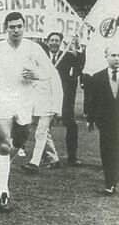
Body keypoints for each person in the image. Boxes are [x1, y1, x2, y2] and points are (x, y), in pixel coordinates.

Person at [0, 12, 59, 211]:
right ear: (5, 28)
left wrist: (37, 74)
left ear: (24, 27)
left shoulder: (33, 48)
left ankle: (6, 160)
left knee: (21, 138)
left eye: (19, 26)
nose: (15, 30)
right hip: (3, 98)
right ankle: (3, 192)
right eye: (12, 27)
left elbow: (50, 72)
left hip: (25, 100)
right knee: (3, 145)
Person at [44, 32, 85, 166]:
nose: (54, 43)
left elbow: (80, 63)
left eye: (57, 41)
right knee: (44, 127)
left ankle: (73, 157)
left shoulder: (67, 56)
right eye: (52, 40)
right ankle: (46, 155)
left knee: (72, 126)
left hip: (65, 98)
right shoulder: (42, 57)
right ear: (47, 42)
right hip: (47, 98)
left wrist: (78, 47)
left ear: (61, 43)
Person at [20, 54, 63, 174]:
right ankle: (54, 160)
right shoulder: (32, 70)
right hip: (37, 107)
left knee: (40, 133)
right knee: (45, 134)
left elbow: (58, 91)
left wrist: (58, 111)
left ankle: (34, 163)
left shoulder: (52, 71)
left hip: (49, 107)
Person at [87, 43, 119, 195]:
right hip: (105, 122)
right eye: (113, 55)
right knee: (107, 151)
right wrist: (90, 119)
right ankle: (110, 182)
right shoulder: (98, 77)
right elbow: (93, 100)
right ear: (106, 57)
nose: (117, 58)